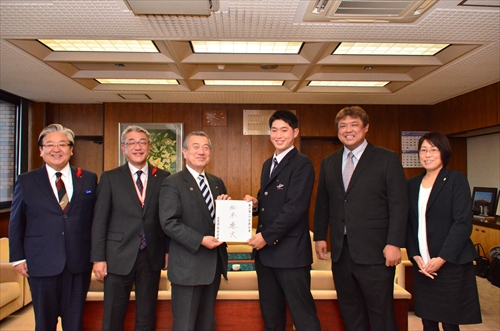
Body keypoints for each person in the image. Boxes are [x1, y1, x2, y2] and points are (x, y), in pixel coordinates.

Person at [314, 106, 408, 331]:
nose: (348, 130)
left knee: (380, 312)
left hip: (376, 252)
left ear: (366, 128)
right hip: (341, 252)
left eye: (354, 125)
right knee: (350, 309)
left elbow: (399, 205)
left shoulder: (386, 158)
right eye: (343, 126)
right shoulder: (329, 162)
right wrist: (319, 236)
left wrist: (394, 243)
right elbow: (322, 203)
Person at [8, 124, 97, 331]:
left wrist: (96, 255)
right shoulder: (26, 181)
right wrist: (18, 257)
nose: (56, 149)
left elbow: (94, 219)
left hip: (78, 262)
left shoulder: (89, 178)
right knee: (45, 323)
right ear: (41, 150)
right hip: (41, 263)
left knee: (75, 323)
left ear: (71, 149)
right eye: (50, 145)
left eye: (62, 144)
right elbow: (16, 221)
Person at [244, 110, 321, 331]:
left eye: (284, 130)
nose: (278, 135)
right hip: (266, 256)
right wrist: (256, 204)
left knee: (303, 316)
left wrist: (266, 237)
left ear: (295, 132)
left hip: (291, 255)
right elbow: (270, 201)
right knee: (271, 316)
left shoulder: (302, 164)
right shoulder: (268, 164)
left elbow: (295, 208)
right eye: (274, 130)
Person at [91, 125, 170, 331]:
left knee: (147, 314)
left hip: (151, 256)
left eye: (142, 142)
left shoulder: (163, 177)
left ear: (149, 146)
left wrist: (168, 251)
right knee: (113, 315)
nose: (138, 147)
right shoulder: (110, 177)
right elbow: (100, 220)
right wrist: (98, 258)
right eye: (132, 143)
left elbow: (167, 218)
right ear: (123, 148)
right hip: (118, 256)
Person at [406, 131, 481, 331]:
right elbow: (410, 224)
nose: (427, 155)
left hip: (450, 264)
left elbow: (462, 223)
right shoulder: (412, 184)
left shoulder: (456, 180)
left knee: (449, 321)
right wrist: (415, 255)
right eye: (423, 150)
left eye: (433, 150)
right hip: (423, 265)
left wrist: (441, 258)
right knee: (427, 320)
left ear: (443, 153)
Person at [159, 131, 231, 331]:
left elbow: (216, 221)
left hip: (213, 265)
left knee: (207, 324)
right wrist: (200, 240)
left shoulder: (217, 183)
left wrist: (224, 209)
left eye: (206, 147)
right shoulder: (173, 183)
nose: (201, 152)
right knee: (185, 325)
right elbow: (169, 222)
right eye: (196, 147)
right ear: (184, 152)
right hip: (187, 268)